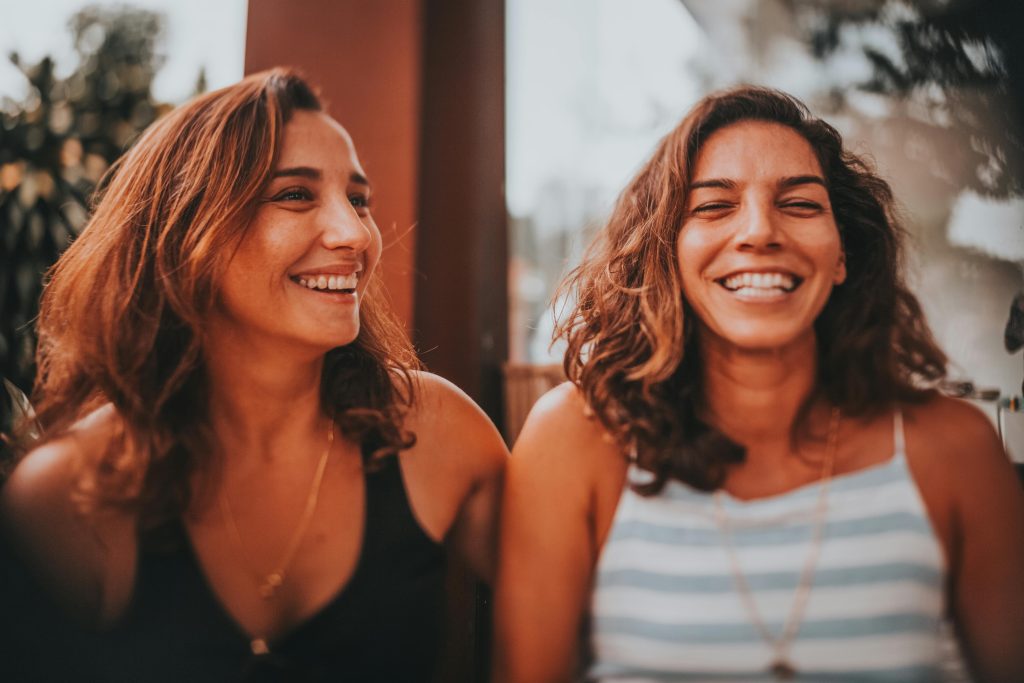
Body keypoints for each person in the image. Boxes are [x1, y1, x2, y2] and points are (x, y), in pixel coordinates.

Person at [495, 86, 1024, 682]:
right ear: (668, 251)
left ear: (842, 254)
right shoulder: (578, 438)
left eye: (799, 204)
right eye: (714, 207)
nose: (759, 232)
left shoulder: (955, 449)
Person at [0, 68, 507, 682]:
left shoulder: (438, 434)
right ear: (187, 232)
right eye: (295, 194)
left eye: (358, 199)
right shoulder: (67, 497)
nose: (354, 233)